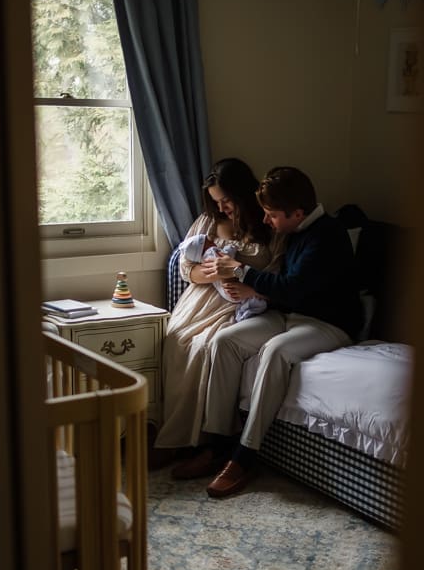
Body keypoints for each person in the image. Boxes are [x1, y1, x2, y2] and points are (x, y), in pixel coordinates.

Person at [172, 165, 363, 497]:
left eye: (272, 215)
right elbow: (285, 289)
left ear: (298, 212)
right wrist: (256, 292)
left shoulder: (327, 236)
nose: (266, 221)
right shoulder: (295, 229)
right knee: (226, 340)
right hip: (289, 314)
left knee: (274, 352)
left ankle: (246, 454)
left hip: (328, 324)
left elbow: (294, 288)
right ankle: (217, 443)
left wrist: (243, 273)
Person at [154, 158, 280, 457]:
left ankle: (203, 441)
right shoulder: (207, 222)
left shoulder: (266, 224)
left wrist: (238, 276)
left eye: (226, 200)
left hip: (241, 301)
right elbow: (187, 267)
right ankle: (175, 435)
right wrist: (210, 273)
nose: (222, 207)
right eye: (216, 201)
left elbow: (276, 271)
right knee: (176, 339)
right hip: (201, 298)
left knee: (204, 346)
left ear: (242, 193)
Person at [177, 231, 267, 322]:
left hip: (229, 292)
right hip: (232, 288)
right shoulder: (211, 252)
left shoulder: (204, 259)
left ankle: (243, 312)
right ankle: (247, 311)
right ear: (203, 245)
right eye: (208, 240)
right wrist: (231, 248)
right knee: (255, 302)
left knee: (250, 301)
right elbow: (225, 259)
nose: (212, 241)